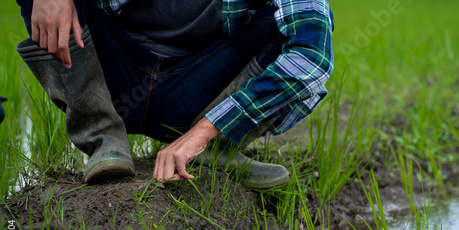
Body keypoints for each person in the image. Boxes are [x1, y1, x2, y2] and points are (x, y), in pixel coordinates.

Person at [16, 0, 334, 189]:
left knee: (283, 29)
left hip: (203, 90)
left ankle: (218, 146)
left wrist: (205, 131)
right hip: (115, 74)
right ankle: (103, 137)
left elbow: (312, 52)